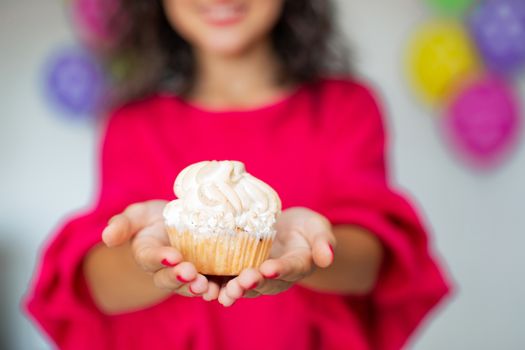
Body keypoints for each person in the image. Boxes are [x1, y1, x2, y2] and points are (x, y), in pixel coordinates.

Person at [25, 0, 450, 349]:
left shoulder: (346, 107)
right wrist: (153, 252)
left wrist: (309, 252)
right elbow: (99, 286)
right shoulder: (131, 123)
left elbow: (371, 263)